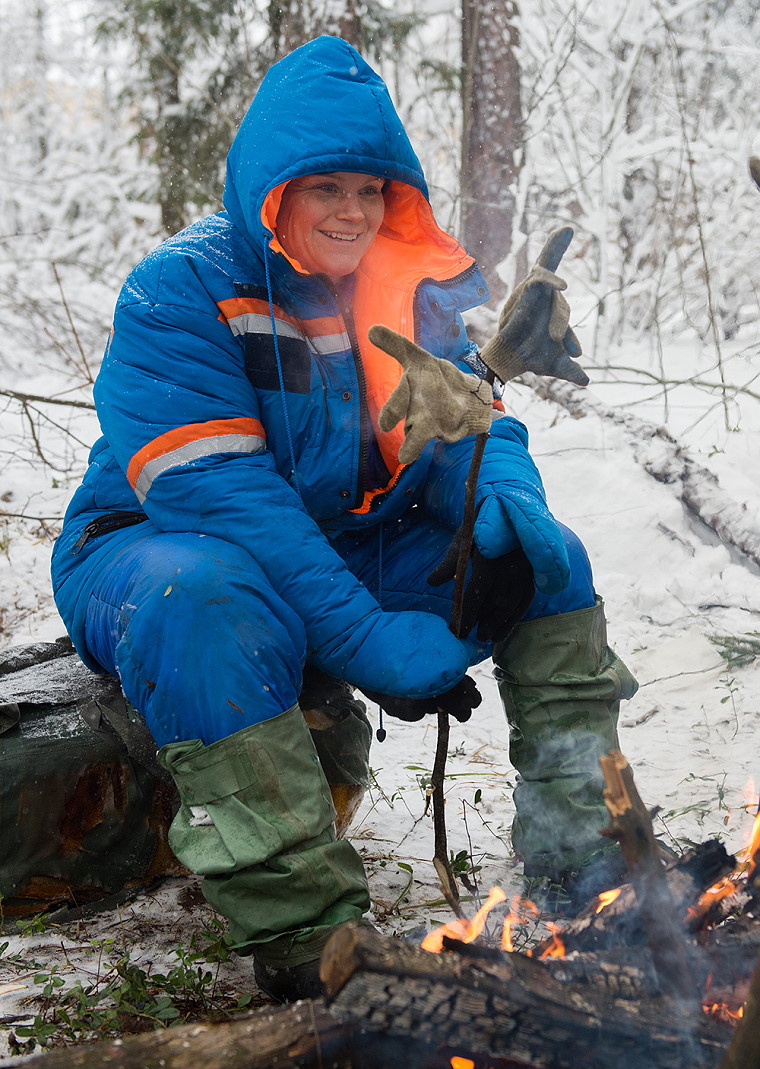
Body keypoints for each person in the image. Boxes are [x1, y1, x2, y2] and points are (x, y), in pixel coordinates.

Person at [51, 36, 637, 1002]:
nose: (355, 212)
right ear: (269, 188)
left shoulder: (400, 283)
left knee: (555, 562)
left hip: (334, 537)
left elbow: (465, 423)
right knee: (203, 596)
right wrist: (364, 638)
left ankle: (587, 867)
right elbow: (222, 500)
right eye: (326, 187)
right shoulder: (180, 289)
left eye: (371, 189)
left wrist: (503, 505)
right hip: (156, 544)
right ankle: (308, 942)